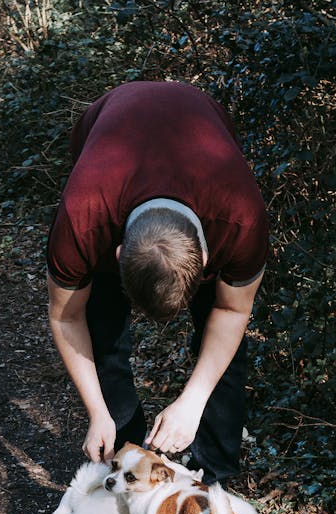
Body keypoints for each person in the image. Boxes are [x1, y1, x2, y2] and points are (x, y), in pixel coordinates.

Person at [47, 80, 269, 485]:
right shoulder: (82, 219)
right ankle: (124, 461)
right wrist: (97, 412)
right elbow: (66, 318)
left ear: (206, 260)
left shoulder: (240, 219)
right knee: (103, 328)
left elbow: (232, 310)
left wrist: (193, 400)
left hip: (204, 123)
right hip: (106, 127)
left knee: (219, 343)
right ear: (115, 255)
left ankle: (212, 479)